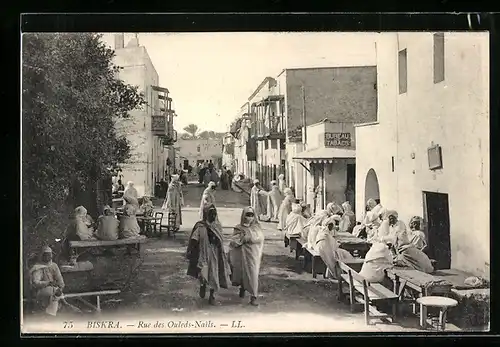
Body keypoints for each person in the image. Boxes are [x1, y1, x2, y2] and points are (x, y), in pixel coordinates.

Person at [186, 204, 231, 305]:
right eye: (210, 213)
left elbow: (221, 239)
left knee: (214, 275)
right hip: (204, 254)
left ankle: (212, 296)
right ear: (206, 214)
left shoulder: (217, 226)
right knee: (204, 274)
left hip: (215, 255)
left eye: (214, 213)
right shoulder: (200, 226)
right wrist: (191, 251)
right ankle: (203, 285)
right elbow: (194, 239)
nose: (213, 215)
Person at [228, 207, 265, 306]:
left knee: (253, 274)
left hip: (253, 255)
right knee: (242, 272)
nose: (250, 217)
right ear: (243, 215)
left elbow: (260, 238)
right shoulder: (239, 228)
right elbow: (234, 241)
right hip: (242, 255)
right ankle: (243, 288)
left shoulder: (257, 228)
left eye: (251, 215)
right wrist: (242, 239)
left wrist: (248, 237)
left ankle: (254, 296)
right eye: (248, 215)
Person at [29, 246, 67, 315]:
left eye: (49, 255)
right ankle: (51, 313)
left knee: (56, 292)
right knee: (52, 293)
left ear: (51, 256)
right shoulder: (37, 267)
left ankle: (54, 311)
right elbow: (36, 282)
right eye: (45, 255)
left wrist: (61, 287)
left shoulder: (54, 266)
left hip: (55, 289)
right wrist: (48, 283)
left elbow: (60, 279)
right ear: (42, 256)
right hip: (41, 290)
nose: (47, 257)